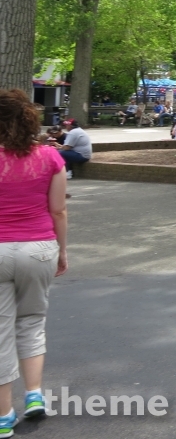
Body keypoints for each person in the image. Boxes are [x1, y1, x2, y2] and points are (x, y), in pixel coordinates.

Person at [0, 89, 69, 435]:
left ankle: (2, 417)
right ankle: (34, 395)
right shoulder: (50, 158)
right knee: (31, 323)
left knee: (0, 333)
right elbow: (58, 209)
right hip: (39, 246)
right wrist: (62, 250)